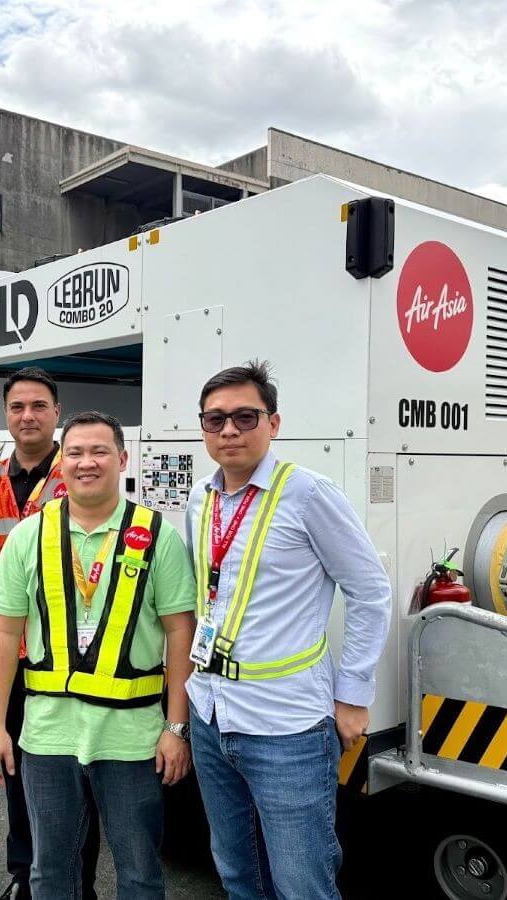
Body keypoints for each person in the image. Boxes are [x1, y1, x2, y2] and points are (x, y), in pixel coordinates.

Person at [184, 361, 392, 900]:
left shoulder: (308, 494)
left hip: (287, 728)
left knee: (302, 883)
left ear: (272, 424)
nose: (229, 430)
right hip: (211, 713)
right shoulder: (200, 498)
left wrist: (352, 695)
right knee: (236, 872)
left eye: (244, 416)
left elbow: (370, 592)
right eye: (215, 420)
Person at [0, 412, 197, 900]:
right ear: (61, 463)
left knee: (140, 874)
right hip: (47, 736)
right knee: (51, 874)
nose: (86, 462)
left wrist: (176, 728)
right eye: (74, 452)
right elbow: (2, 636)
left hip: (133, 739)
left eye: (99, 451)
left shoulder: (157, 534)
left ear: (122, 459)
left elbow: (181, 633)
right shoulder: (27, 536)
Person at [0, 367, 101, 900]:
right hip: (2, 656)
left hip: (71, 659)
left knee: (75, 776)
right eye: (17, 407)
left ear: (57, 412)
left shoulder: (79, 472)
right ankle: (25, 873)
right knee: (15, 768)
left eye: (38, 406)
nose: (27, 416)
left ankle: (77, 880)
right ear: (5, 415)